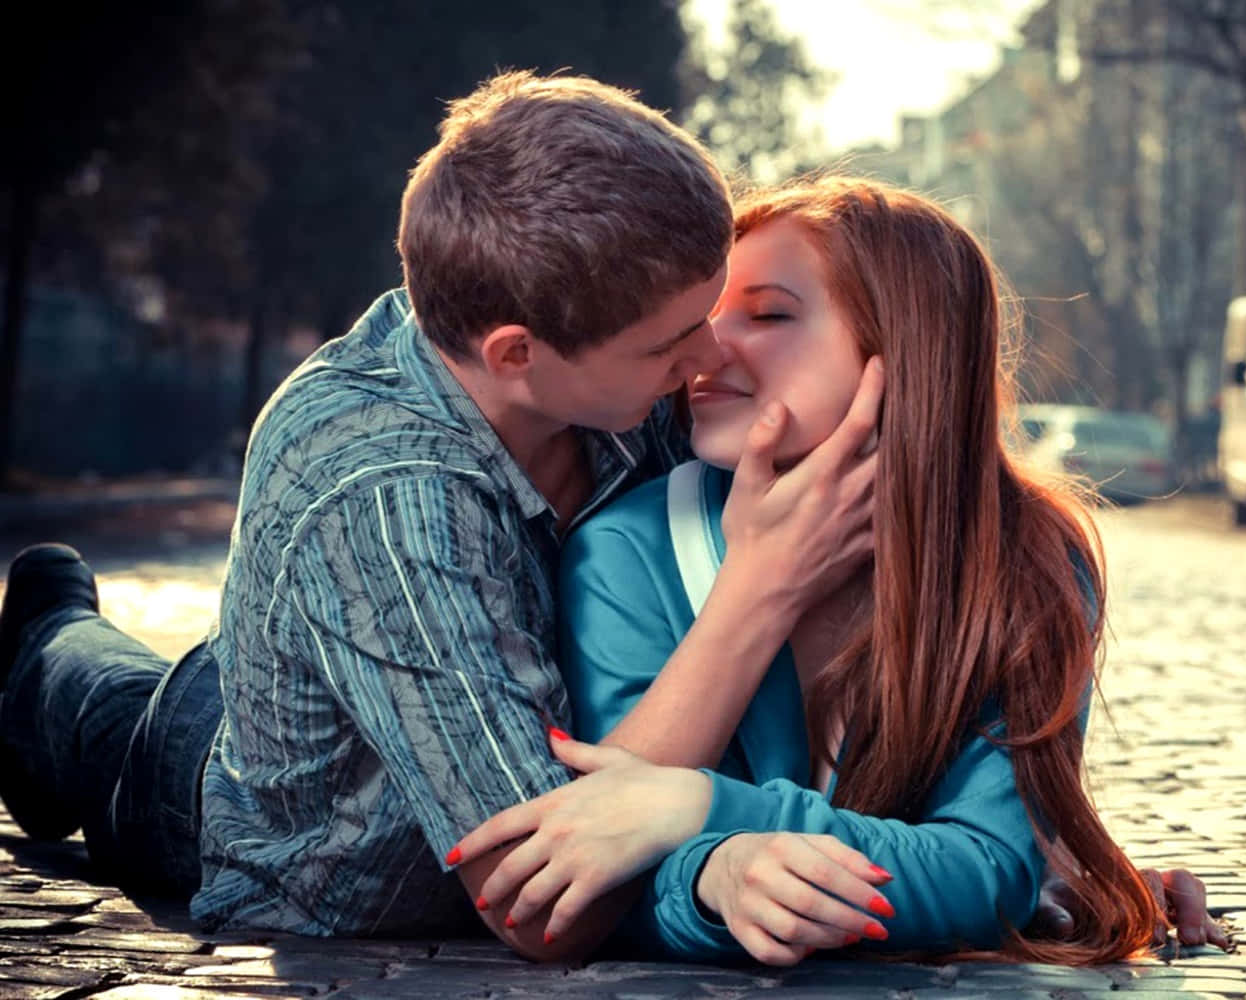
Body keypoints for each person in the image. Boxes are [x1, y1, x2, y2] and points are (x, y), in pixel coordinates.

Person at [0, 72, 883, 962]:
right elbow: (533, 899)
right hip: (208, 788)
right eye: (668, 345)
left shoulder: (594, 339)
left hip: (307, 658)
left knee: (133, 686)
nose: (708, 354)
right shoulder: (382, 494)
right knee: (83, 693)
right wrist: (760, 589)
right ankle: (43, 627)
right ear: (516, 354)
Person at [451, 177, 1231, 965]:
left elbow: (990, 867)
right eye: (709, 313)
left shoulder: (1030, 557)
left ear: (909, 345)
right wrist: (713, 877)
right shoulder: (628, 547)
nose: (710, 347)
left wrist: (698, 806)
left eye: (768, 313)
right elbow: (607, 855)